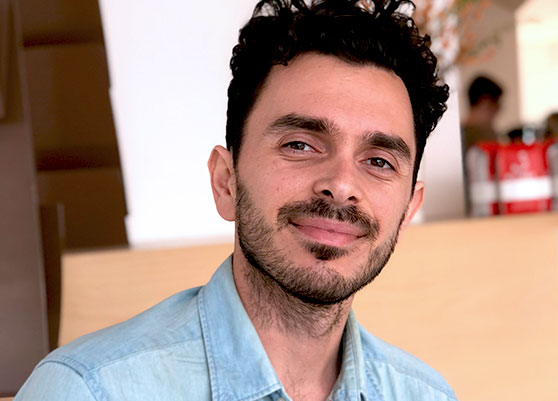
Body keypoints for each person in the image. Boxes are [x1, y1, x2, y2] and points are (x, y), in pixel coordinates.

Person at [15, 1, 455, 400]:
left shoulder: (426, 396)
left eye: (378, 161)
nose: (341, 184)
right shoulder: (89, 390)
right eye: (300, 145)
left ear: (407, 212)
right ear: (226, 182)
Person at [461, 75, 503, 151]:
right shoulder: (478, 136)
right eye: (496, 105)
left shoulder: (461, 133)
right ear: (485, 103)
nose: (497, 111)